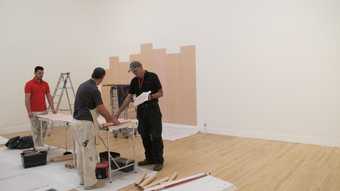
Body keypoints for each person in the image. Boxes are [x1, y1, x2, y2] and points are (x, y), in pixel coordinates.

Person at [72, 67, 119, 190]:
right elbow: (100, 108)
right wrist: (111, 119)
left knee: (81, 152)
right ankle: (90, 183)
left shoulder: (83, 85)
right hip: (85, 125)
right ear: (102, 77)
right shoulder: (94, 89)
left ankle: (83, 179)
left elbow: (89, 107)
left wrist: (99, 123)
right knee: (89, 153)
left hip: (77, 123)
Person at [114, 61, 164, 171]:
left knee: (155, 136)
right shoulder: (134, 81)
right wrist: (118, 112)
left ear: (141, 67)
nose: (134, 73)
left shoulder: (153, 76)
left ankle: (159, 161)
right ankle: (149, 158)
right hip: (141, 112)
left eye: (135, 71)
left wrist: (150, 97)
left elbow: (161, 93)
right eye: (132, 72)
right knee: (144, 135)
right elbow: (129, 97)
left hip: (153, 110)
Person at [24, 66, 56, 149]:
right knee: (36, 130)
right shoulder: (29, 84)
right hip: (34, 112)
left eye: (42, 73)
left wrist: (52, 108)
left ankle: (41, 144)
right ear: (35, 73)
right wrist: (29, 111)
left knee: (44, 129)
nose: (41, 75)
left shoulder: (45, 84)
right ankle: (37, 146)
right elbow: (27, 99)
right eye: (39, 73)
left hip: (44, 111)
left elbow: (49, 96)